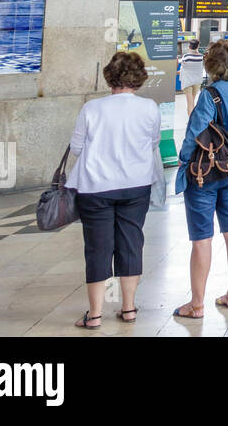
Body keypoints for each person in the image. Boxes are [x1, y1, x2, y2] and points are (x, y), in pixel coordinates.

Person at [66, 52, 159, 329]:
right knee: (131, 243)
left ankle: (94, 314)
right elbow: (153, 143)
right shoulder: (150, 107)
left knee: (98, 248)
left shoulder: (92, 109)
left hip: (96, 187)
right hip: (136, 184)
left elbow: (76, 149)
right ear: (139, 77)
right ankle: (128, 308)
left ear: (110, 77)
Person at [173, 42, 228, 319]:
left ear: (212, 65)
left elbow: (195, 132)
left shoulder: (210, 95)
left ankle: (196, 304)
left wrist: (184, 160)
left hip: (205, 175)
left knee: (202, 238)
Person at [178, 39, 205, 115]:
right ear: (198, 46)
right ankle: (192, 119)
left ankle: (191, 121)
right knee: (192, 101)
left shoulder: (186, 56)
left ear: (189, 46)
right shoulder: (201, 57)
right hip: (197, 81)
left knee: (190, 103)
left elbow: (183, 67)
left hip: (187, 82)